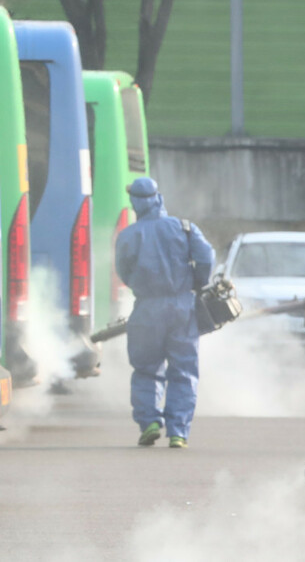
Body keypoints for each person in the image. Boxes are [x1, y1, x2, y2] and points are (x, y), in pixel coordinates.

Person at [114, 177, 214, 449]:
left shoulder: (128, 235)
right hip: (182, 308)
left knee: (146, 369)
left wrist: (140, 285)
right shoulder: (184, 228)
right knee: (183, 372)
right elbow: (207, 258)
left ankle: (150, 423)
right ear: (159, 197)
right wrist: (196, 283)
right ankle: (178, 432)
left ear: (134, 201)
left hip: (146, 309)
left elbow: (122, 271)